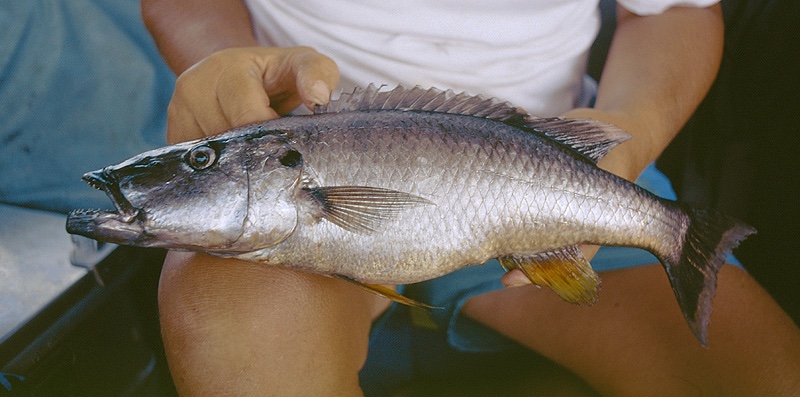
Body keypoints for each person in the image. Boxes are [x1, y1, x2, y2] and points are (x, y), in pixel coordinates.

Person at [141, 0, 800, 395]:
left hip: (552, 171)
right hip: (296, 170)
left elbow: (673, 11)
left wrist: (622, 143)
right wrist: (228, 64)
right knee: (227, 328)